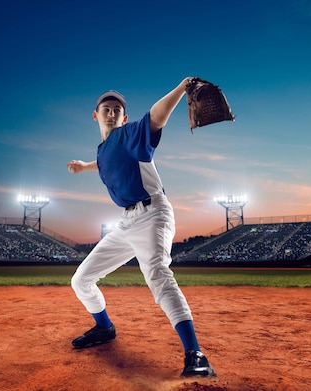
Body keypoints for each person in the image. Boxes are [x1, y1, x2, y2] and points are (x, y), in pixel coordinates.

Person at [66, 77, 216, 377]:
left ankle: (196, 354)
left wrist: (181, 88)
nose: (111, 112)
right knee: (81, 280)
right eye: (106, 108)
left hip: (153, 215)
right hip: (126, 222)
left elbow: (156, 116)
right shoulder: (104, 149)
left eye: (117, 109)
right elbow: (105, 159)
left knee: (158, 276)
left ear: (125, 116)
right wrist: (85, 165)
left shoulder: (131, 133)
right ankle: (104, 328)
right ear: (96, 115)